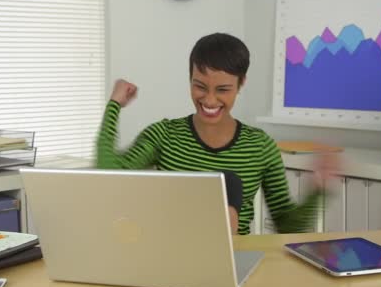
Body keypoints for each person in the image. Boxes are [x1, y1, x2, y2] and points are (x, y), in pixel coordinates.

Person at [96, 32, 332, 235]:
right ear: (190, 80)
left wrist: (319, 190)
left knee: (229, 183)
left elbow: (287, 226)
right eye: (200, 86)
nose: (209, 100)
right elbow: (108, 174)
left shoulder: (260, 146)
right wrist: (114, 104)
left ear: (240, 84)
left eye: (223, 89)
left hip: (235, 256)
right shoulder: (165, 135)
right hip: (174, 257)